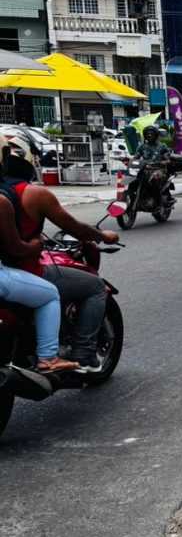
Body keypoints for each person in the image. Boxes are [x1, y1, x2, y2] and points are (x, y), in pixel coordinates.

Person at [0, 131, 118, 372]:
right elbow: (73, 228)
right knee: (93, 287)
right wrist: (102, 235)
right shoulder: (32, 194)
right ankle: (80, 353)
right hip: (23, 270)